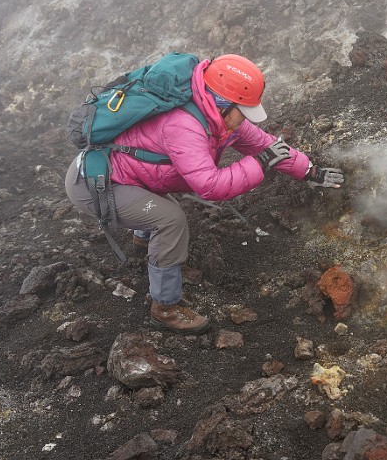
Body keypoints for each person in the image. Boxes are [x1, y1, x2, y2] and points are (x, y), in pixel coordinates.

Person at [65, 54, 344, 334]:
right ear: (222, 102)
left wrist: (309, 171)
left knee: (161, 207)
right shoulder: (184, 125)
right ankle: (165, 308)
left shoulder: (219, 118)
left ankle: (148, 246)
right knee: (170, 219)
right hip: (94, 184)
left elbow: (265, 144)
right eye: (243, 111)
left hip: (127, 176)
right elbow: (210, 186)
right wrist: (260, 163)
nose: (246, 118)